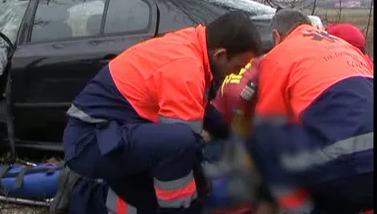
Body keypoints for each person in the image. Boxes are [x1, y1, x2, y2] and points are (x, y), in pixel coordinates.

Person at [62, 12, 263, 214]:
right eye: (236, 67)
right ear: (220, 54)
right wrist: (201, 192)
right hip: (90, 142)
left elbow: (200, 107)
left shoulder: (192, 45)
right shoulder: (185, 68)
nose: (235, 74)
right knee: (178, 150)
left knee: (152, 197)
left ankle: (89, 196)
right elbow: (185, 149)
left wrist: (226, 132)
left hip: (107, 134)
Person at [247, 9, 373, 214]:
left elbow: (268, 129)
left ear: (276, 36)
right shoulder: (346, 47)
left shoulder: (280, 55)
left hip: (342, 169)